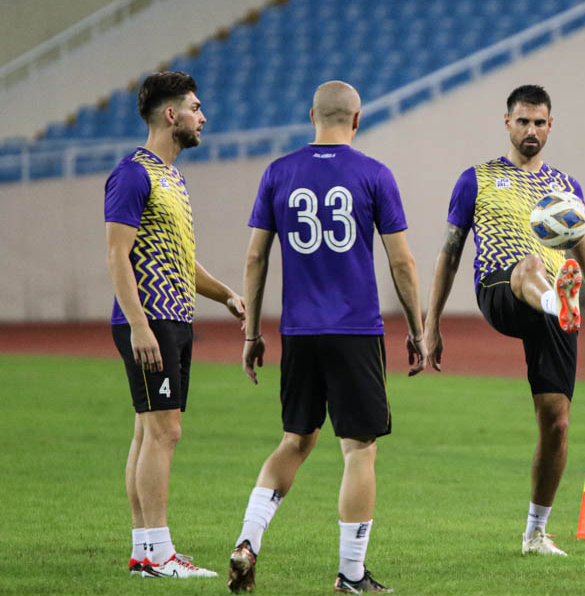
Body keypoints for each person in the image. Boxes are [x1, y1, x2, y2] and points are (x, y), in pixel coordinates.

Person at [422, 84, 585, 557]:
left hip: (556, 294)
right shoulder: (477, 179)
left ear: (551, 126)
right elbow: (448, 256)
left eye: (540, 122)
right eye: (523, 121)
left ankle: (534, 534)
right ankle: (556, 302)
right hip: (502, 289)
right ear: (506, 123)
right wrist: (431, 324)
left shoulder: (566, 189)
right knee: (530, 265)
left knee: (557, 424)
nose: (531, 130)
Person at [227, 81, 425, 594]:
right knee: (358, 451)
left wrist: (251, 333)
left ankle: (248, 540)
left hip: (299, 331)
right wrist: (419, 328)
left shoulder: (278, 172)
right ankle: (352, 574)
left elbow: (255, 257)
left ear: (310, 114)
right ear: (357, 120)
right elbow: (400, 260)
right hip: (354, 329)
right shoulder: (374, 174)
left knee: (295, 440)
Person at [104, 71, 246, 579]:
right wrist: (139, 325)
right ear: (171, 115)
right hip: (152, 321)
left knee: (149, 432)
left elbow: (181, 260)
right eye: (195, 107)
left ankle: (146, 551)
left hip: (175, 318)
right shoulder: (133, 173)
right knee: (164, 432)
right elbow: (117, 255)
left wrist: (225, 293)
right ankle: (160, 554)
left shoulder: (173, 178)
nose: (202, 117)